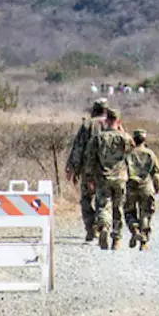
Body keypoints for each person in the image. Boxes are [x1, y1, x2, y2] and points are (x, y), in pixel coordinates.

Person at [87, 107, 136, 249]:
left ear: (106, 120)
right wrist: (122, 130)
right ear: (118, 120)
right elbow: (133, 149)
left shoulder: (97, 138)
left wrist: (90, 178)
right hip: (120, 178)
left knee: (103, 205)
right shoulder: (124, 137)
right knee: (118, 207)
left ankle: (103, 227)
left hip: (103, 177)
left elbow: (90, 159)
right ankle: (116, 240)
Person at [65, 98, 108, 241]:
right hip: (108, 171)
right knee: (104, 200)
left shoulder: (88, 125)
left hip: (88, 170)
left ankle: (91, 229)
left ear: (94, 110)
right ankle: (103, 224)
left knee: (86, 199)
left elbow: (78, 148)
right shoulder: (113, 125)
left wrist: (73, 169)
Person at [124, 129, 159, 251]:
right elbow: (156, 174)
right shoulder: (150, 154)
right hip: (145, 187)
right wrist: (158, 188)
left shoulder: (128, 154)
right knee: (146, 213)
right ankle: (144, 242)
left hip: (131, 186)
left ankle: (134, 229)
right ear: (144, 139)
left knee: (129, 211)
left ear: (134, 140)